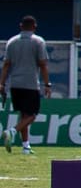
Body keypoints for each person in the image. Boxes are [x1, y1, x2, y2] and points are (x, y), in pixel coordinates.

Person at [2, 15, 52, 154]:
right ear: (34, 26)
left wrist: (2, 84)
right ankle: (12, 131)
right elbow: (43, 64)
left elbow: (6, 64)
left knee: (24, 114)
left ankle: (26, 147)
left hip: (15, 83)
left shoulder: (11, 42)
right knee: (32, 115)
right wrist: (47, 84)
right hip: (30, 83)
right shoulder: (38, 41)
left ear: (20, 26)